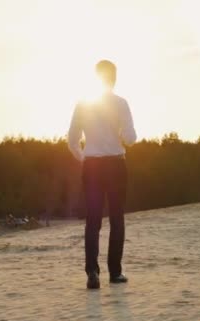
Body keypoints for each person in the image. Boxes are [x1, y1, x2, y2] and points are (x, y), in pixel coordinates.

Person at [68, 60, 137, 289]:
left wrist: (84, 157)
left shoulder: (82, 105)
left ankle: (92, 274)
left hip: (92, 167)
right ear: (114, 78)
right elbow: (130, 138)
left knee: (93, 220)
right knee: (117, 218)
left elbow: (72, 140)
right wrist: (122, 136)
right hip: (116, 165)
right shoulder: (121, 103)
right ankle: (115, 272)